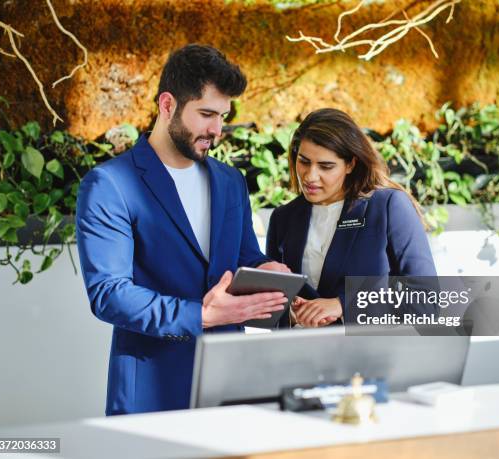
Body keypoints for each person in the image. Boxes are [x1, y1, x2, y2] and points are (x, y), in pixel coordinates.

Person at [76, 44, 289, 415]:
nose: (217, 130)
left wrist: (264, 270)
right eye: (206, 114)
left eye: (223, 115)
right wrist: (201, 316)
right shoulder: (109, 184)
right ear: (168, 105)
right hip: (151, 390)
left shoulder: (230, 181)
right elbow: (109, 294)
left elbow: (242, 257)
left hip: (229, 387)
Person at [266, 108, 437, 328]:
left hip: (369, 357)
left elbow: (426, 301)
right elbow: (274, 308)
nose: (310, 176)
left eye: (326, 166)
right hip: (301, 356)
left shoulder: (388, 206)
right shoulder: (283, 218)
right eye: (304, 161)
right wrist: (291, 312)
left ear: (350, 164)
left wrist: (343, 305)